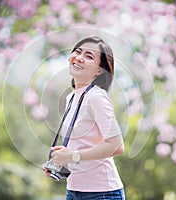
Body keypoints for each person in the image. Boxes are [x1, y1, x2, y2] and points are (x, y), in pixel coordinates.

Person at [43, 36, 125, 200]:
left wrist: (73, 156)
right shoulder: (72, 97)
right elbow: (82, 143)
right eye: (78, 52)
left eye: (89, 56)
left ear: (99, 70)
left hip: (101, 193)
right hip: (74, 190)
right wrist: (61, 159)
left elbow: (116, 145)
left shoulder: (96, 97)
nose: (79, 57)